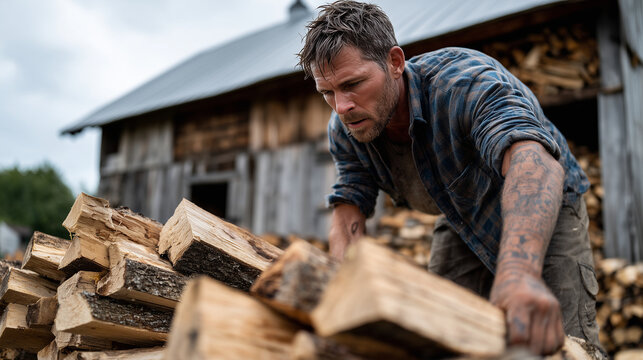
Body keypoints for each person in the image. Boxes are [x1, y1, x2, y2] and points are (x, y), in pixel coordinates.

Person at [297, 0, 605, 357]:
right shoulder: (346, 128)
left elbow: (533, 162)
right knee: (441, 337)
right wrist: (340, 294)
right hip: (460, 213)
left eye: (353, 84)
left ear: (395, 63)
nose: (341, 107)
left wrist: (519, 273)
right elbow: (348, 205)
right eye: (327, 93)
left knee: (559, 344)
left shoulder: (465, 82)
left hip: (543, 206)